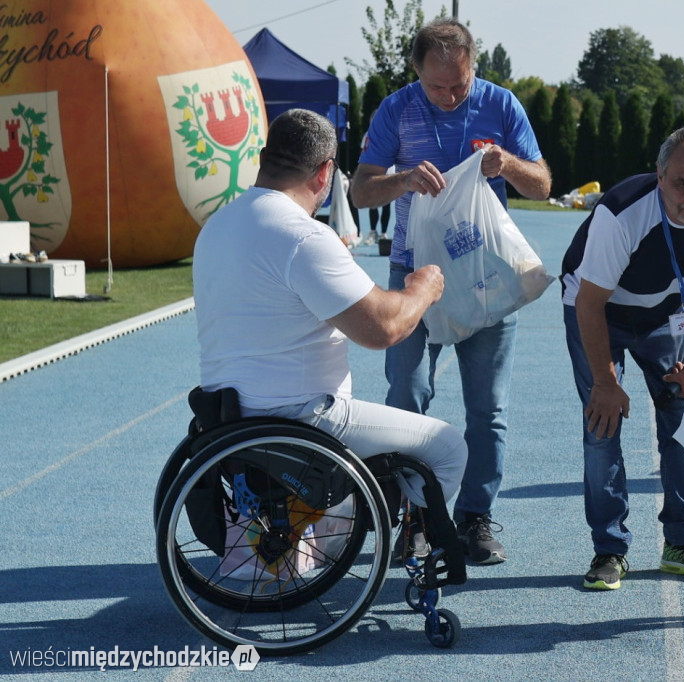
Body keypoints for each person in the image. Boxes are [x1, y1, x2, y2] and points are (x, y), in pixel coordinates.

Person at [192, 108, 468, 518]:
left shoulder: (216, 226)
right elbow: (383, 329)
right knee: (448, 447)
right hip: (301, 418)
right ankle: (389, 533)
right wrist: (421, 289)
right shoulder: (304, 237)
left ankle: (297, 537)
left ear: (265, 158)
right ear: (325, 174)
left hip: (226, 417)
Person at [350, 18, 551, 565]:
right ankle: (413, 516)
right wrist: (403, 180)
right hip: (412, 275)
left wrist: (505, 163)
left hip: (486, 274)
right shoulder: (396, 109)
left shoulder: (502, 105)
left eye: (459, 85)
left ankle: (474, 518)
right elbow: (361, 190)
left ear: (473, 67)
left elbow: (544, 182)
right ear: (416, 72)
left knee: (488, 409)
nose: (449, 96)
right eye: (437, 87)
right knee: (406, 396)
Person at [560, 125, 684, 591]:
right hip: (599, 310)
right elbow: (589, 303)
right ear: (659, 176)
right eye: (681, 183)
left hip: (668, 313)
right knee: (603, 425)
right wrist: (605, 382)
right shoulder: (622, 214)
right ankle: (610, 548)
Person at [361, 108, 391, 247]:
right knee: (373, 203)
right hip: (373, 174)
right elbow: (363, 154)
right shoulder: (368, 135)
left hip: (389, 173)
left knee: (386, 203)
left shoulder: (391, 133)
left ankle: (384, 233)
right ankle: (373, 231)